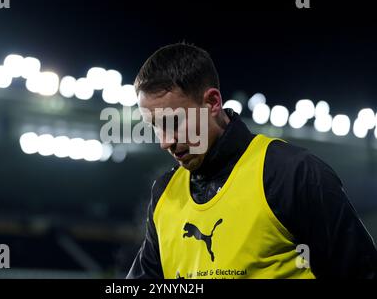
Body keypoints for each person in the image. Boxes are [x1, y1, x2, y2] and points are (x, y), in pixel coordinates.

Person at [126, 42, 377, 279]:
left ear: (213, 102)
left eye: (174, 123)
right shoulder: (165, 192)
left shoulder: (292, 173)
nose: (164, 142)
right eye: (155, 127)